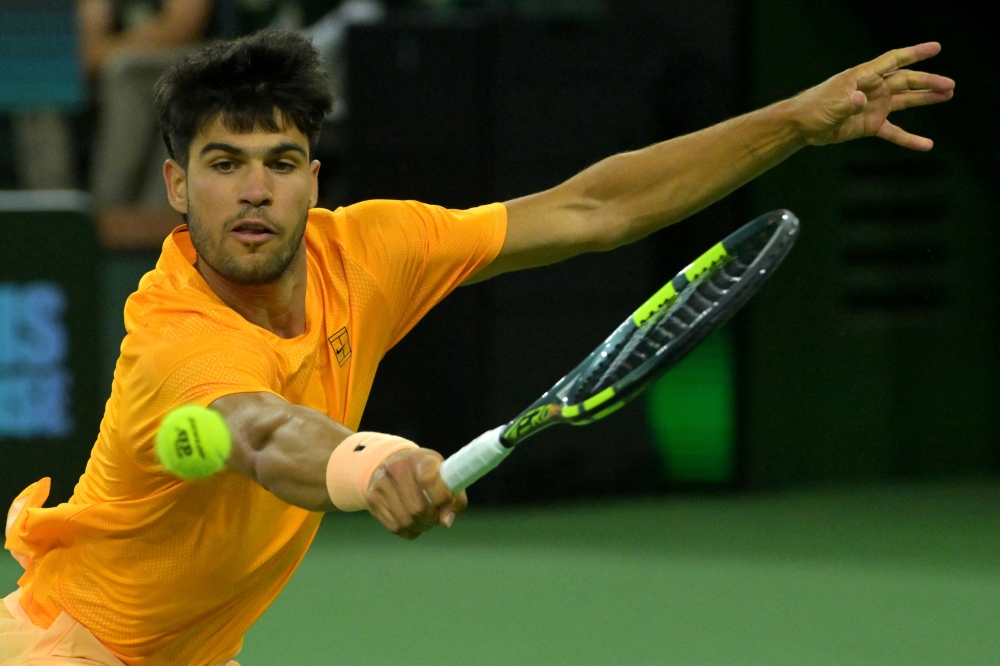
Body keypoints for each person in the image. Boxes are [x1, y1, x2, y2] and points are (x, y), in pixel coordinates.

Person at [1, 29, 953, 665]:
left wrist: (797, 121)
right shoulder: (174, 333)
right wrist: (367, 463)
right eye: (223, 165)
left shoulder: (370, 249)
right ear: (176, 186)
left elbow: (592, 207)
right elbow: (258, 433)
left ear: (312, 179)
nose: (254, 191)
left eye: (279, 163)